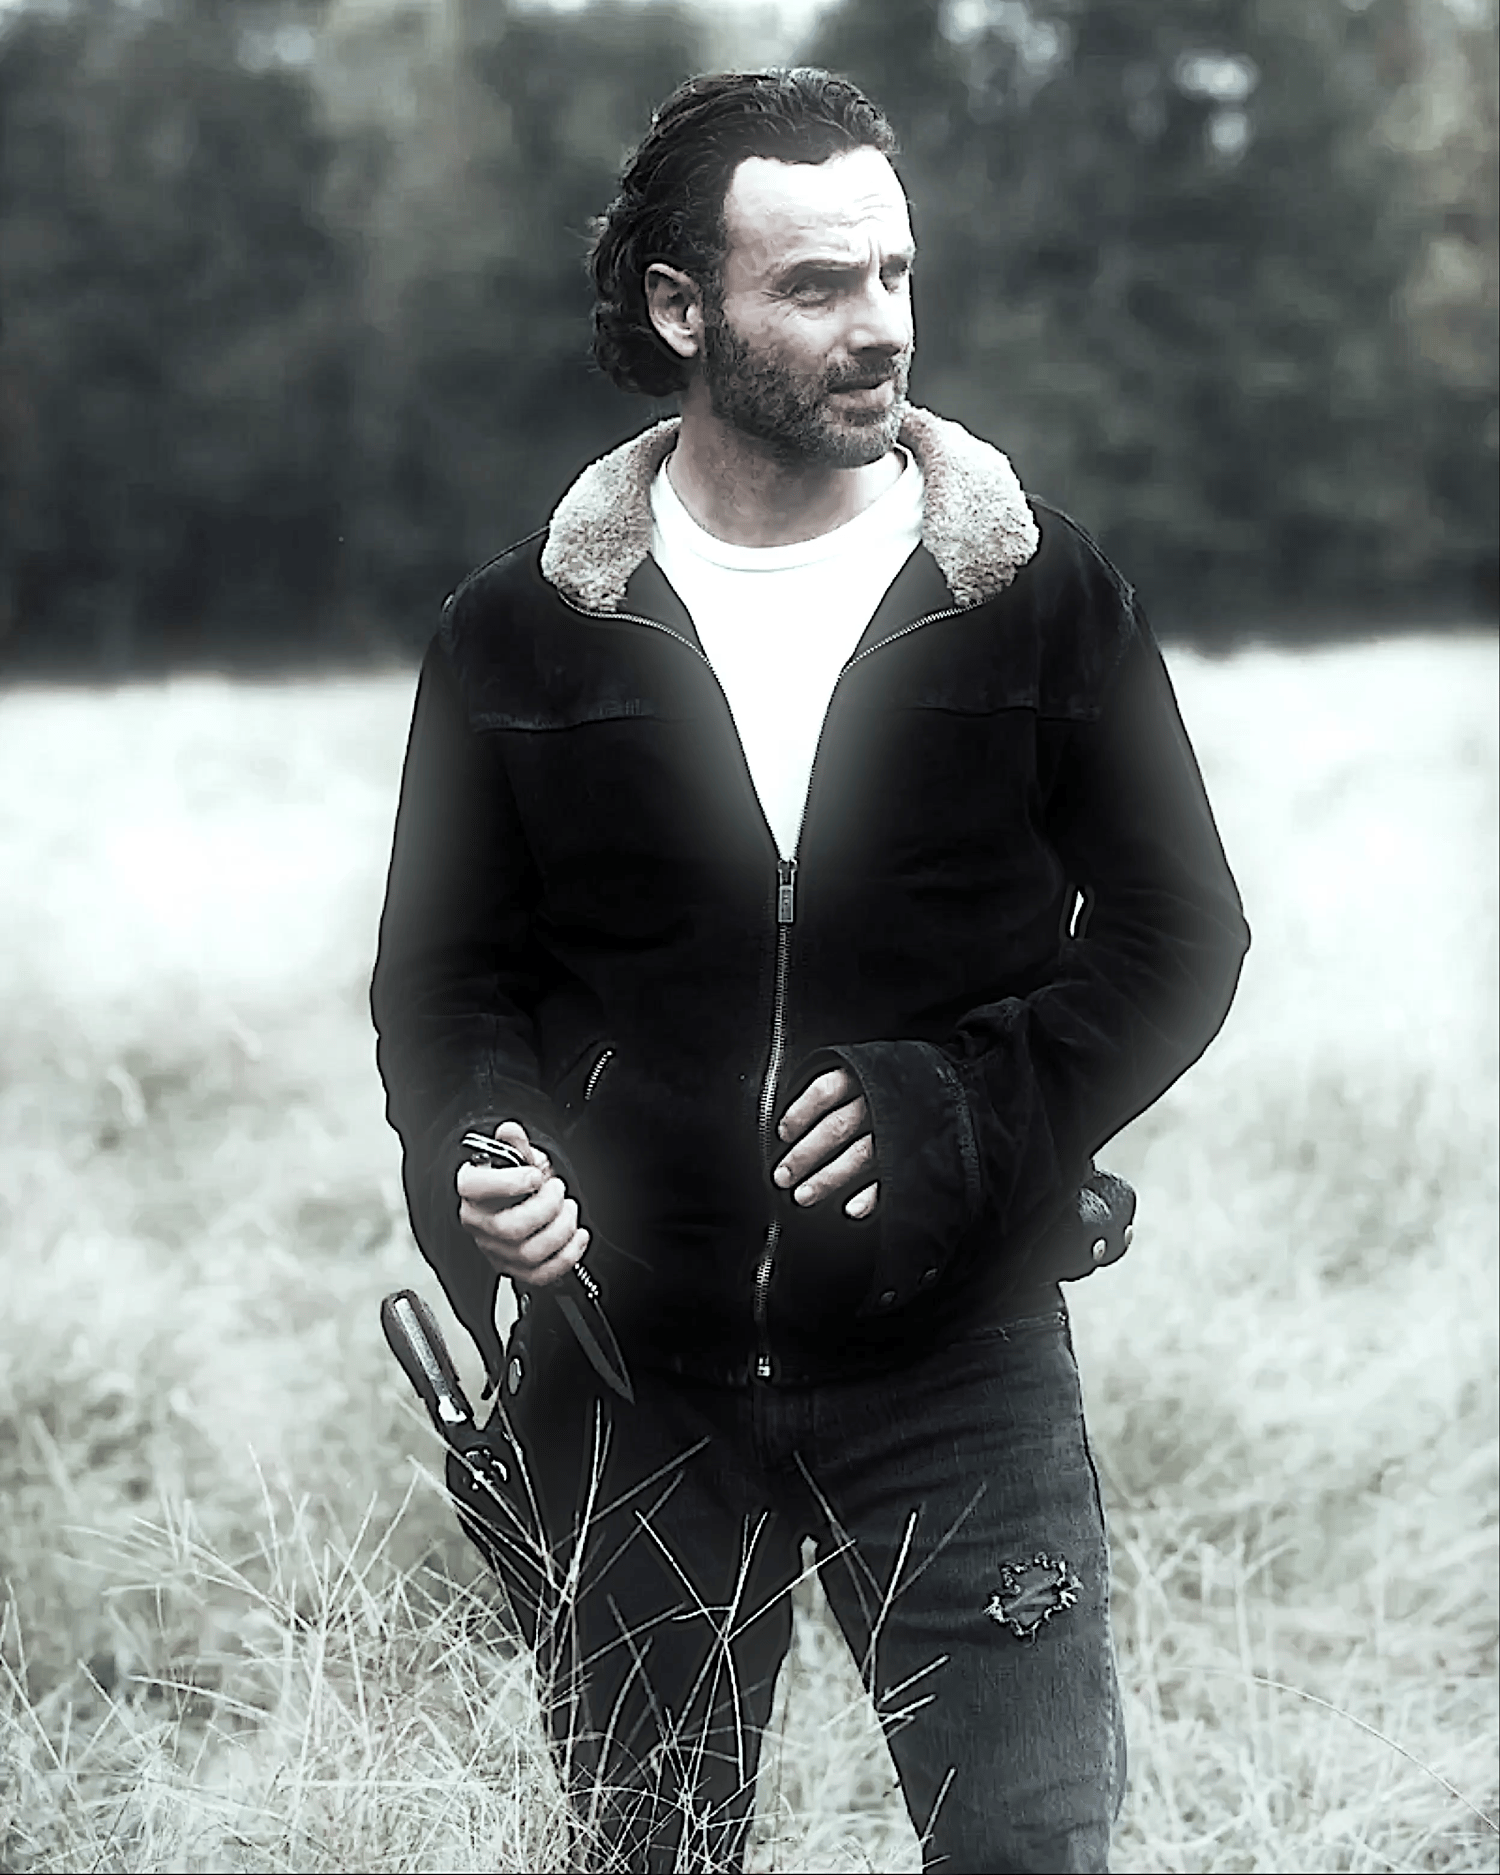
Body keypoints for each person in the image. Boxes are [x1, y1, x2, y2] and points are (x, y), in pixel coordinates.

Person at [371, 67, 1249, 1875]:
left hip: (959, 1361)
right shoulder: (520, 630)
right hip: (629, 1376)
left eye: (896, 274)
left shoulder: (1034, 590)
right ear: (680, 308)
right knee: (652, 1855)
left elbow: (1182, 932)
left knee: (1029, 1854)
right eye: (819, 285)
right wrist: (489, 1155)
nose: (882, 328)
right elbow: (445, 981)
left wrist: (965, 1106)